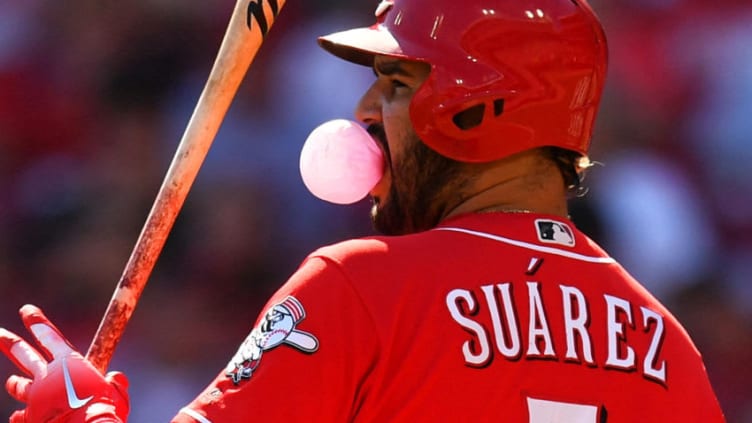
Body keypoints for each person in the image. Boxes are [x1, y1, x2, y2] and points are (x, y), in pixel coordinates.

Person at [0, 0, 727, 421]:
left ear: (480, 108)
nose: (364, 110)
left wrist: (81, 417)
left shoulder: (363, 287)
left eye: (395, 82)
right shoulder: (670, 349)